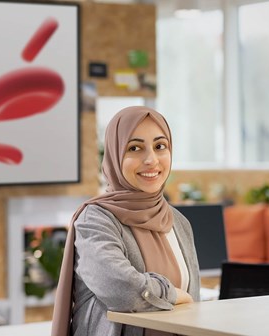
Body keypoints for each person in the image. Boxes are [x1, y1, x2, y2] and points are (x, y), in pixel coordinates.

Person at [51, 106, 201, 336]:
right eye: (134, 148)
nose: (151, 160)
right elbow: (121, 289)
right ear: (114, 154)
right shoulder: (95, 220)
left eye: (160, 146)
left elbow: (193, 306)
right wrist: (171, 293)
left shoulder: (179, 223)